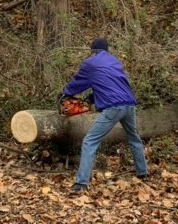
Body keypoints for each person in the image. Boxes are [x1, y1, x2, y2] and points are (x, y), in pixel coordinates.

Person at [62, 37, 147, 192]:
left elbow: (78, 82)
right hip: (128, 105)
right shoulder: (114, 62)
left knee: (89, 141)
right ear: (106, 50)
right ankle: (142, 172)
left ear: (93, 51)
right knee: (134, 137)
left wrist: (65, 93)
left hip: (113, 108)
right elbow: (110, 85)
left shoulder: (90, 63)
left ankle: (80, 183)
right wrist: (90, 99)